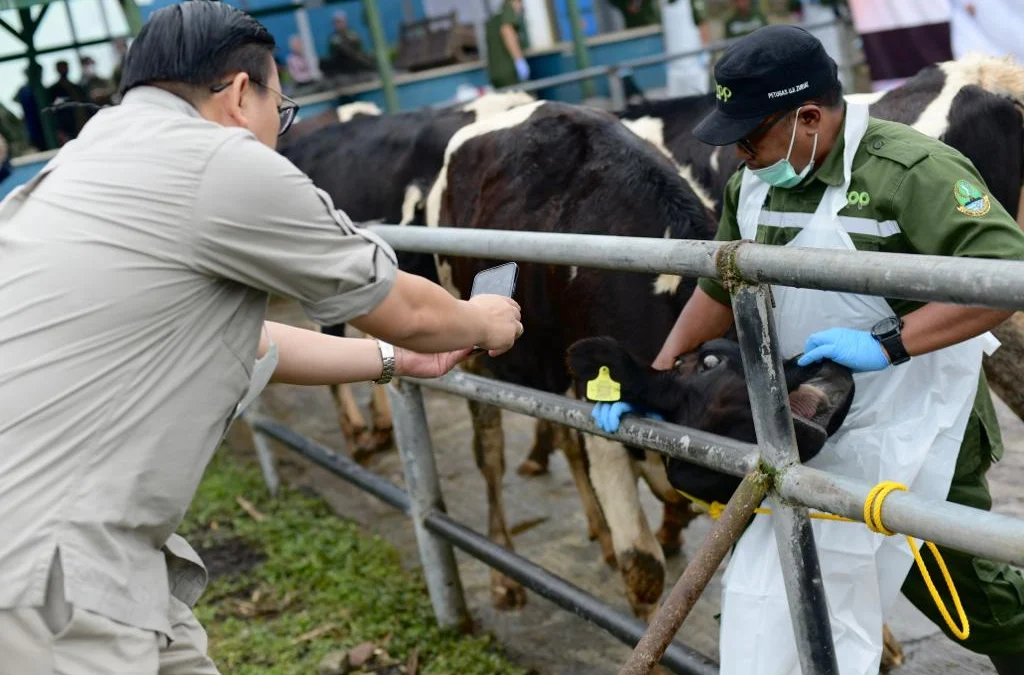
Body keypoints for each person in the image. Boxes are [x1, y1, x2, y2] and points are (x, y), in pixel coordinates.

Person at [0, 3, 523, 673]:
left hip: (79, 554)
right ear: (242, 93)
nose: (283, 127)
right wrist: (484, 318)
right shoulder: (217, 163)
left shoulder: (83, 164)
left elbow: (248, 340)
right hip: (54, 577)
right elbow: (402, 307)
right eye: (286, 105)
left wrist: (392, 361)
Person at [594, 25, 1024, 675]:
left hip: (921, 412)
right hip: (809, 409)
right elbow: (720, 284)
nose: (739, 155)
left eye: (748, 137)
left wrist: (888, 343)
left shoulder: (910, 170)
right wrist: (659, 379)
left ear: (810, 117)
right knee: (792, 579)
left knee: (962, 589)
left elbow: (1003, 278)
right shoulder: (754, 186)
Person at [485, 0, 529, 89]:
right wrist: (519, 60)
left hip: (495, 74)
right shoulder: (508, 11)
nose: (521, 7)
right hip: (509, 73)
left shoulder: (495, 19)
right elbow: (507, 30)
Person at [320, 9, 376, 78]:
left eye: (339, 22)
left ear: (345, 22)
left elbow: (359, 49)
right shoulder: (333, 38)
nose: (338, 24)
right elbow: (333, 53)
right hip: (342, 66)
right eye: (336, 22)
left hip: (357, 65)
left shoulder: (353, 34)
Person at [46, 60, 89, 145]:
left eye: (65, 67)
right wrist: (59, 130)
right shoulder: (53, 91)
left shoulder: (77, 88)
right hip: (67, 132)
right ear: (57, 70)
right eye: (61, 68)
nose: (64, 70)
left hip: (83, 127)